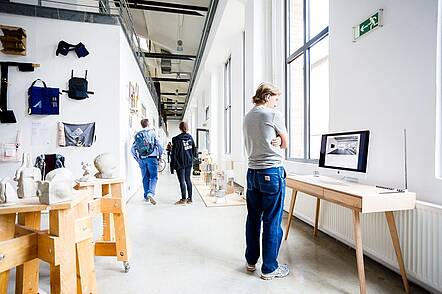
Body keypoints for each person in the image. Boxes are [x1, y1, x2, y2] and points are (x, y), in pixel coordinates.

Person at [243, 82, 289, 280]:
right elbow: (285, 143)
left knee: (253, 219)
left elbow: (263, 139)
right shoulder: (272, 115)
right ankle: (269, 268)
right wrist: (280, 140)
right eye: (276, 99)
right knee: (272, 220)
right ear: (268, 96)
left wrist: (275, 139)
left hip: (252, 172)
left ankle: (251, 261)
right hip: (271, 172)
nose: (276, 104)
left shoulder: (248, 117)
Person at [131, 119, 163, 205]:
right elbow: (159, 145)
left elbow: (132, 149)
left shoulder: (137, 134)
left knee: (145, 177)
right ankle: (150, 193)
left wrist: (137, 159)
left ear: (141, 125)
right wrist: (160, 156)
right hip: (152, 158)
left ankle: (146, 196)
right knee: (153, 177)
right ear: (148, 124)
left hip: (142, 158)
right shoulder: (152, 133)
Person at [170, 121, 196, 205]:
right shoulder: (190, 137)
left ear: (180, 128)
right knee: (188, 179)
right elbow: (194, 150)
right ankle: (190, 199)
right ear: (187, 128)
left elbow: (174, 153)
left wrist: (172, 166)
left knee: (182, 181)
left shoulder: (176, 139)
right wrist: (192, 158)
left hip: (180, 163)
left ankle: (183, 199)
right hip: (188, 162)